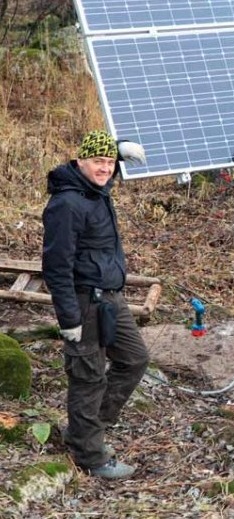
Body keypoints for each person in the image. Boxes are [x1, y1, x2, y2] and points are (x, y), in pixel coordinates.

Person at [42, 130, 149, 479]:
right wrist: (68, 318)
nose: (105, 169)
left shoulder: (96, 191)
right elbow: (56, 266)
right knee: (87, 376)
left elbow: (104, 164)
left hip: (112, 300)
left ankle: (86, 429)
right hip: (84, 302)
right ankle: (90, 456)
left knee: (134, 359)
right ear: (79, 162)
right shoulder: (67, 204)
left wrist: (117, 151)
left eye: (109, 163)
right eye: (98, 162)